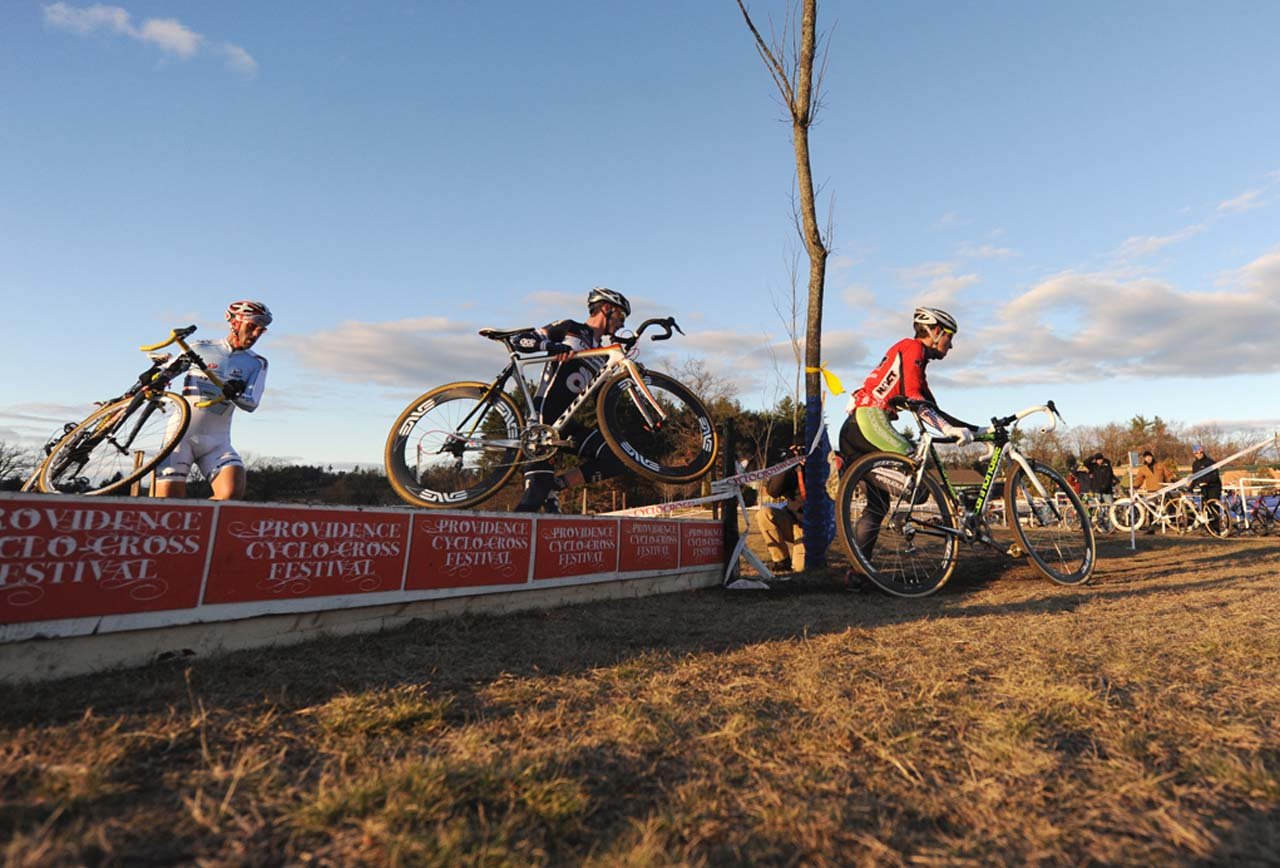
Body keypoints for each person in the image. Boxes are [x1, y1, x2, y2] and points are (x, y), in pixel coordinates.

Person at [837, 307, 976, 556]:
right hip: (869, 420)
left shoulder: (914, 357)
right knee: (919, 479)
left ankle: (859, 572)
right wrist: (947, 429)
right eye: (949, 338)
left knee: (877, 507)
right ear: (935, 332)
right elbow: (914, 398)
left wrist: (974, 429)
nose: (951, 346)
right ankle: (925, 524)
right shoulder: (914, 348)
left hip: (854, 429)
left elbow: (932, 408)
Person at [509, 287, 632, 512]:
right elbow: (521, 340)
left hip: (566, 423)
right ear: (606, 308)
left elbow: (603, 399)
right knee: (535, 494)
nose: (622, 323)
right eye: (621, 316)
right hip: (543, 419)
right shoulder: (571, 328)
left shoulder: (603, 354)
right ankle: (504, 542)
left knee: (616, 458)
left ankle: (556, 485)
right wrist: (552, 346)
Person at [155, 300, 271, 500]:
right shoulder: (200, 348)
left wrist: (233, 392)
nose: (255, 335)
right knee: (169, 505)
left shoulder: (256, 363)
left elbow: (251, 404)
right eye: (251, 327)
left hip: (217, 442)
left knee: (231, 494)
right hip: (180, 438)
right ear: (234, 323)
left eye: (261, 331)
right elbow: (162, 378)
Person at [756, 441, 805, 573]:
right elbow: (773, 491)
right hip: (792, 521)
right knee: (764, 514)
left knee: (800, 569)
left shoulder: (821, 467)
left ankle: (815, 557)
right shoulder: (791, 468)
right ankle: (781, 560)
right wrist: (788, 464)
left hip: (810, 527)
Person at [1132, 449, 1176, 534]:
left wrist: (1172, 480)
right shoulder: (1143, 468)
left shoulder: (1160, 465)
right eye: (1146, 457)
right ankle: (1151, 527)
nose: (1148, 459)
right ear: (1144, 459)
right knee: (1151, 509)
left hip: (1161, 489)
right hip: (1151, 491)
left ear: (1152, 457)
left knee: (1165, 507)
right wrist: (1135, 486)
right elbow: (1139, 479)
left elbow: (1168, 474)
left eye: (1149, 457)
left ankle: (1169, 523)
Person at [1190, 444, 1223, 531]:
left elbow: (1215, 476)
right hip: (1203, 489)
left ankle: (1216, 528)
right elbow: (1195, 478)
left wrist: (1205, 481)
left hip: (1213, 487)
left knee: (1213, 506)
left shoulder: (1210, 462)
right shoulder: (1195, 464)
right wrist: (1190, 488)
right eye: (1197, 453)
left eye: (1201, 452)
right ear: (1194, 454)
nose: (1199, 454)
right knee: (1204, 507)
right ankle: (1208, 527)